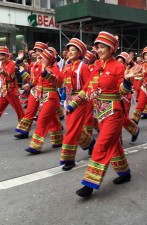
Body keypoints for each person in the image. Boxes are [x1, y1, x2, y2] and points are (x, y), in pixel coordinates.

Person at [66, 31, 141, 197]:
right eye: (98, 47)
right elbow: (87, 90)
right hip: (100, 113)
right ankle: (124, 173)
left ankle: (89, 184)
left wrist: (127, 81)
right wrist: (72, 105)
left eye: (103, 47)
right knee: (114, 146)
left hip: (114, 114)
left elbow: (122, 91)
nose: (99, 50)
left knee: (101, 146)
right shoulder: (97, 67)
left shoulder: (118, 67)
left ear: (111, 48)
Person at [59, 38, 94, 170]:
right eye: (69, 50)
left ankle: (68, 159)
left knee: (71, 130)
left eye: (74, 50)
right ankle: (91, 143)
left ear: (80, 53)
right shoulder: (67, 66)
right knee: (75, 129)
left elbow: (88, 86)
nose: (70, 52)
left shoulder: (83, 67)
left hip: (80, 101)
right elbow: (63, 84)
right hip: (68, 100)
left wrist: (78, 100)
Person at [24, 49, 64, 154]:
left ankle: (35, 145)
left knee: (42, 119)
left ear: (48, 60)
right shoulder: (41, 67)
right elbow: (35, 80)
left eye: (43, 58)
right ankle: (58, 139)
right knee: (53, 119)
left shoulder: (54, 69)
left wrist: (47, 74)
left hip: (51, 98)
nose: (40, 59)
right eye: (41, 58)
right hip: (43, 97)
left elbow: (59, 83)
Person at [14, 42, 48, 139]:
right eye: (36, 51)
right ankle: (24, 131)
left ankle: (57, 132)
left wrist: (30, 84)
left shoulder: (46, 64)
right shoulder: (34, 64)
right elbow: (25, 72)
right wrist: (19, 61)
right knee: (30, 111)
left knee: (50, 116)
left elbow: (40, 78)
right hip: (34, 91)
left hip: (45, 92)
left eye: (40, 51)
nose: (37, 53)